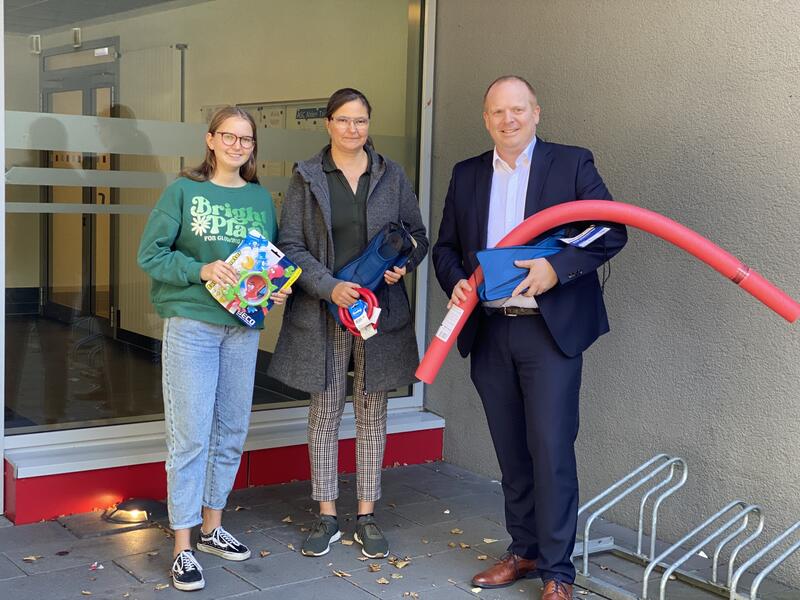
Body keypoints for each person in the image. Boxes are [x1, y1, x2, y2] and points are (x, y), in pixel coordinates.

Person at [432, 75, 627, 600]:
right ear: (486, 119)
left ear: (536, 113)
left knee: (551, 451)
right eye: (498, 111)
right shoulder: (468, 174)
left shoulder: (572, 164)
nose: (508, 119)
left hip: (548, 333)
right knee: (512, 452)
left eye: (517, 109)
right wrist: (457, 282)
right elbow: (445, 247)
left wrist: (556, 268)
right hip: (491, 330)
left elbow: (611, 229)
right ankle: (524, 550)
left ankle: (558, 573)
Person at [269, 88, 428, 560]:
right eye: (343, 120)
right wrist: (328, 286)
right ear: (328, 123)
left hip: (377, 312)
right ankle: (326, 515)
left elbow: (417, 236)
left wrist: (403, 265)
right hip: (325, 312)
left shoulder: (391, 175)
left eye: (360, 120)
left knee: (372, 411)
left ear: (368, 124)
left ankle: (366, 515)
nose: (352, 129)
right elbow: (290, 245)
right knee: (324, 411)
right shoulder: (307, 176)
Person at [137, 106, 290, 592]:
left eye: (246, 139)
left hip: (242, 329)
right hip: (193, 325)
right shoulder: (183, 191)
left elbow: (264, 263)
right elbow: (150, 255)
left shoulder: (260, 198)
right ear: (210, 139)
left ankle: (211, 527)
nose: (237, 145)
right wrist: (199, 269)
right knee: (190, 437)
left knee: (231, 431)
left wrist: (272, 290)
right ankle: (182, 546)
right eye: (229, 136)